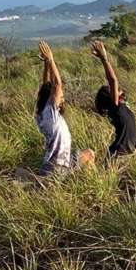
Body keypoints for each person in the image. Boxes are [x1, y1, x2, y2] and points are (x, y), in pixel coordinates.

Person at [89, 40, 136, 162]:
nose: (118, 89)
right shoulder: (115, 108)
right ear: (110, 97)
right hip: (120, 155)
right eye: (113, 90)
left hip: (134, 146)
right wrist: (104, 58)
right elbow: (113, 80)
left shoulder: (120, 107)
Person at [33, 40, 94, 176]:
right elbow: (57, 84)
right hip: (59, 167)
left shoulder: (42, 113)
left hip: (48, 167)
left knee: (81, 155)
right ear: (52, 98)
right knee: (89, 154)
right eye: (60, 97)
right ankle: (87, 182)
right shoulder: (52, 113)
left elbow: (46, 87)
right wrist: (51, 59)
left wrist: (46, 65)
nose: (62, 98)